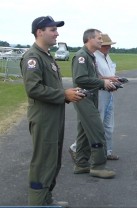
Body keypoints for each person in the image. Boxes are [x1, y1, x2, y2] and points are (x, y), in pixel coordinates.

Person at [20, 15, 84, 206]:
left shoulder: (46, 56)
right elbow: (33, 88)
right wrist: (64, 95)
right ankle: (37, 202)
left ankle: (46, 199)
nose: (57, 33)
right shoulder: (33, 57)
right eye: (53, 30)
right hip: (43, 117)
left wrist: (69, 93)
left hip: (54, 115)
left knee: (53, 159)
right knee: (43, 161)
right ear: (40, 32)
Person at [72, 29, 116, 179]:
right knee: (97, 131)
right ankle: (98, 166)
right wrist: (102, 82)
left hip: (90, 97)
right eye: (98, 38)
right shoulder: (81, 57)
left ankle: (81, 164)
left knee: (84, 133)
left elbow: (91, 78)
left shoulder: (89, 56)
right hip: (84, 98)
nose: (101, 41)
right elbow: (80, 79)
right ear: (89, 39)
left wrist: (105, 83)